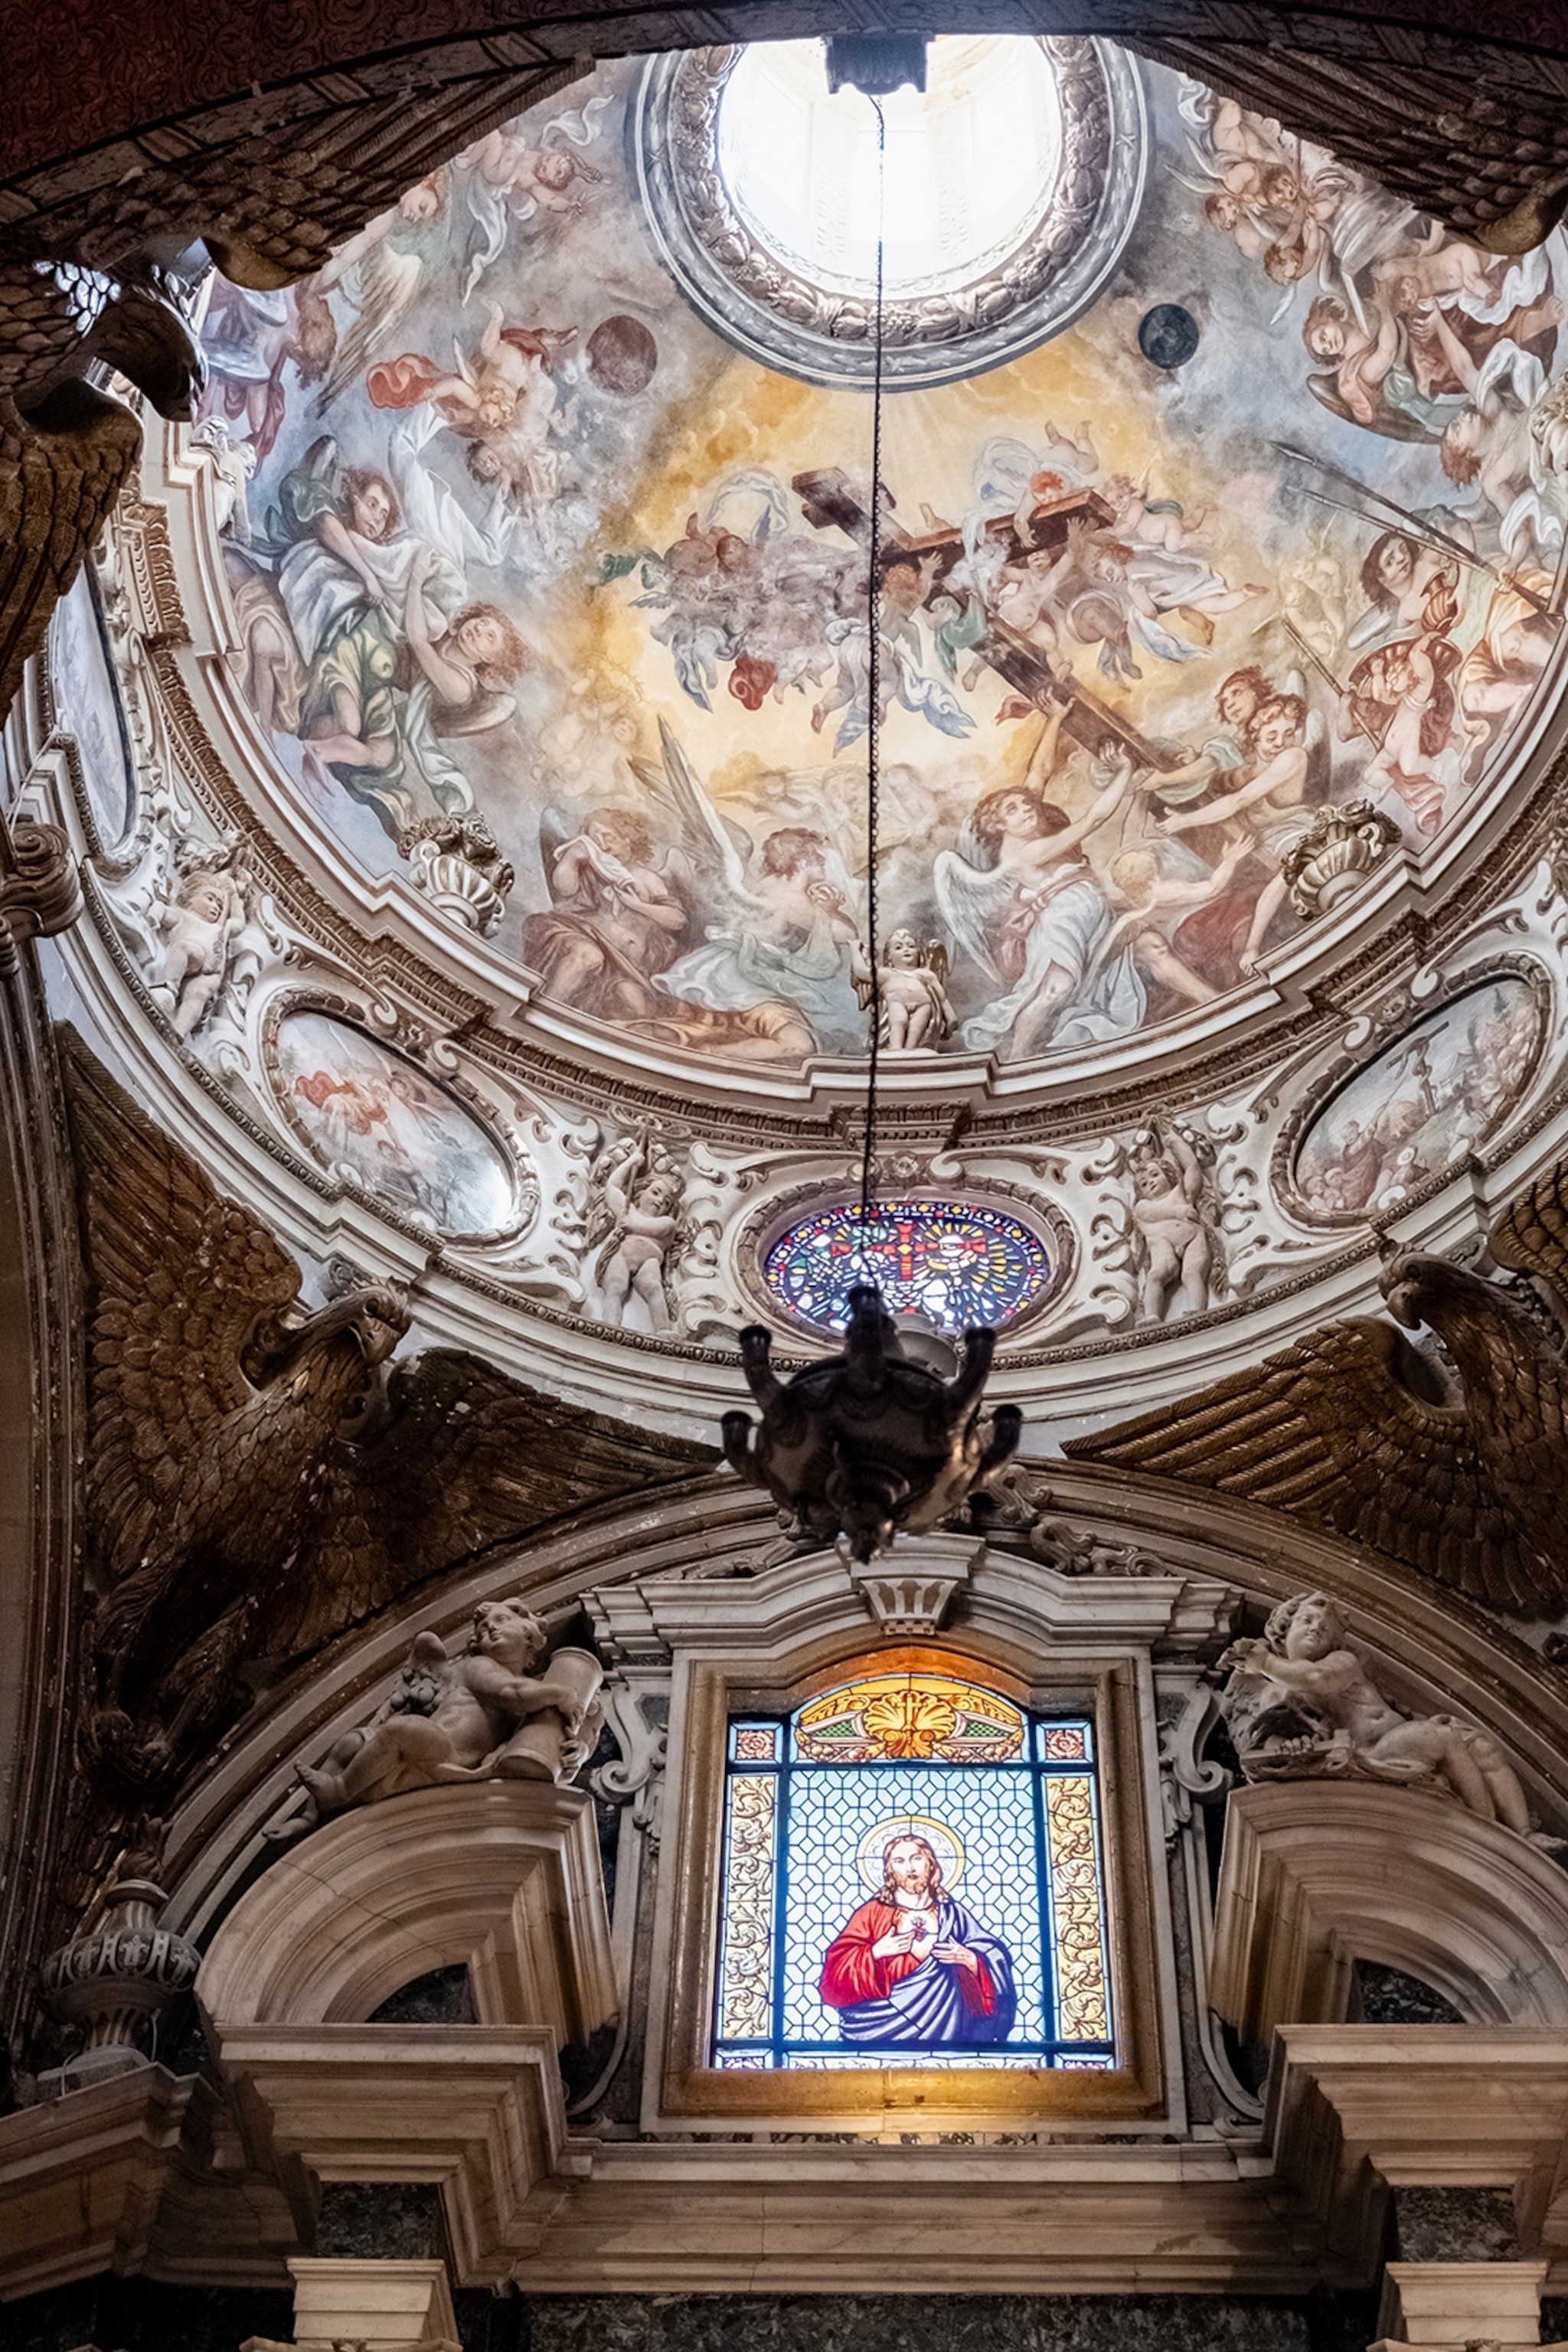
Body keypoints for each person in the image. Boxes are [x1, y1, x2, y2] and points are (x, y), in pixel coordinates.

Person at [1223, 1592, 1530, 1831]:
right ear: (1283, 1630)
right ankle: (1484, 1826)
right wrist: (1289, 1745)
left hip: (1392, 1739)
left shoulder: (1343, 1661)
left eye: (1326, 1629)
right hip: (1375, 1750)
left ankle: (1522, 1831)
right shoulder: (1278, 1692)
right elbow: (1269, 1733)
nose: (1316, 1628)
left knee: (1483, 1748)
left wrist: (1265, 1664)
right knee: (1442, 1736)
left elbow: (1317, 1679)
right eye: (1307, 1621)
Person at [818, 1832, 1018, 2049]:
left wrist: (971, 1960)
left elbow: (992, 1955)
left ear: (931, 1864)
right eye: (899, 1861)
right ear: (890, 1870)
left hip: (952, 2037)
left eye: (917, 1858)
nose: (910, 1868)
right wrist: (875, 1952)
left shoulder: (953, 1914)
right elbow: (833, 1978)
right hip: (878, 2033)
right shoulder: (871, 1914)